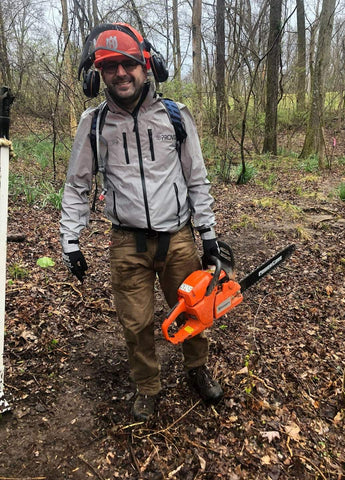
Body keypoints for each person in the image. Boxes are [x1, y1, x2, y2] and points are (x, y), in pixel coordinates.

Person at [60, 23, 223, 421]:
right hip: (126, 242)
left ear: (147, 66)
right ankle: (147, 386)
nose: (120, 73)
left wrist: (209, 236)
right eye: (110, 66)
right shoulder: (94, 124)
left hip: (179, 237)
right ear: (97, 74)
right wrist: (70, 240)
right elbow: (78, 183)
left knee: (193, 312)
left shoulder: (175, 116)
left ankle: (196, 370)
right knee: (136, 324)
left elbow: (196, 178)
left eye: (128, 63)